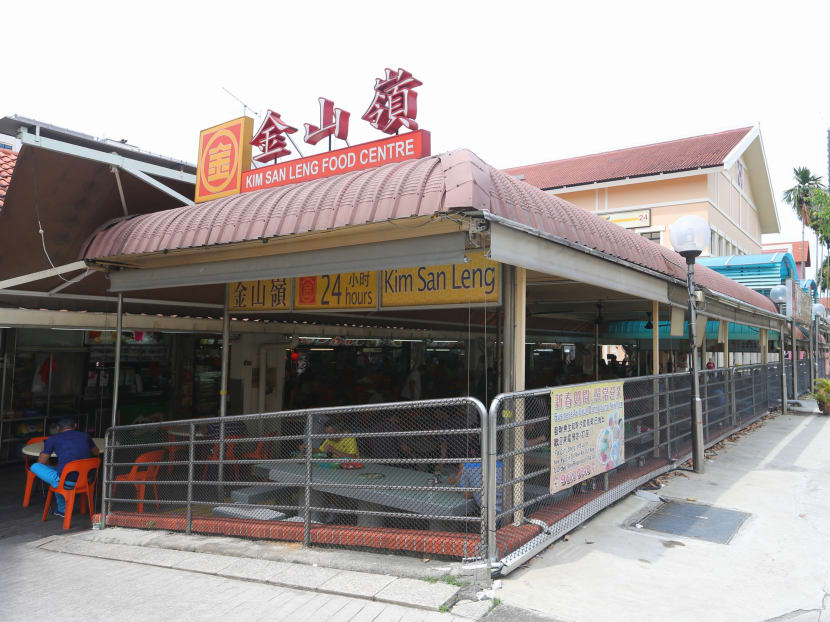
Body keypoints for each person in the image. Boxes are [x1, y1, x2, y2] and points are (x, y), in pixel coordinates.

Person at [31, 417, 99, 518]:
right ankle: (62, 509)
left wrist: (43, 450)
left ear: (58, 428)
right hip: (88, 479)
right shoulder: (85, 436)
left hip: (68, 481)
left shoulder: (53, 439)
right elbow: (96, 452)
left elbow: (41, 462)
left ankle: (62, 505)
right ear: (75, 426)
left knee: (35, 466)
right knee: (58, 471)